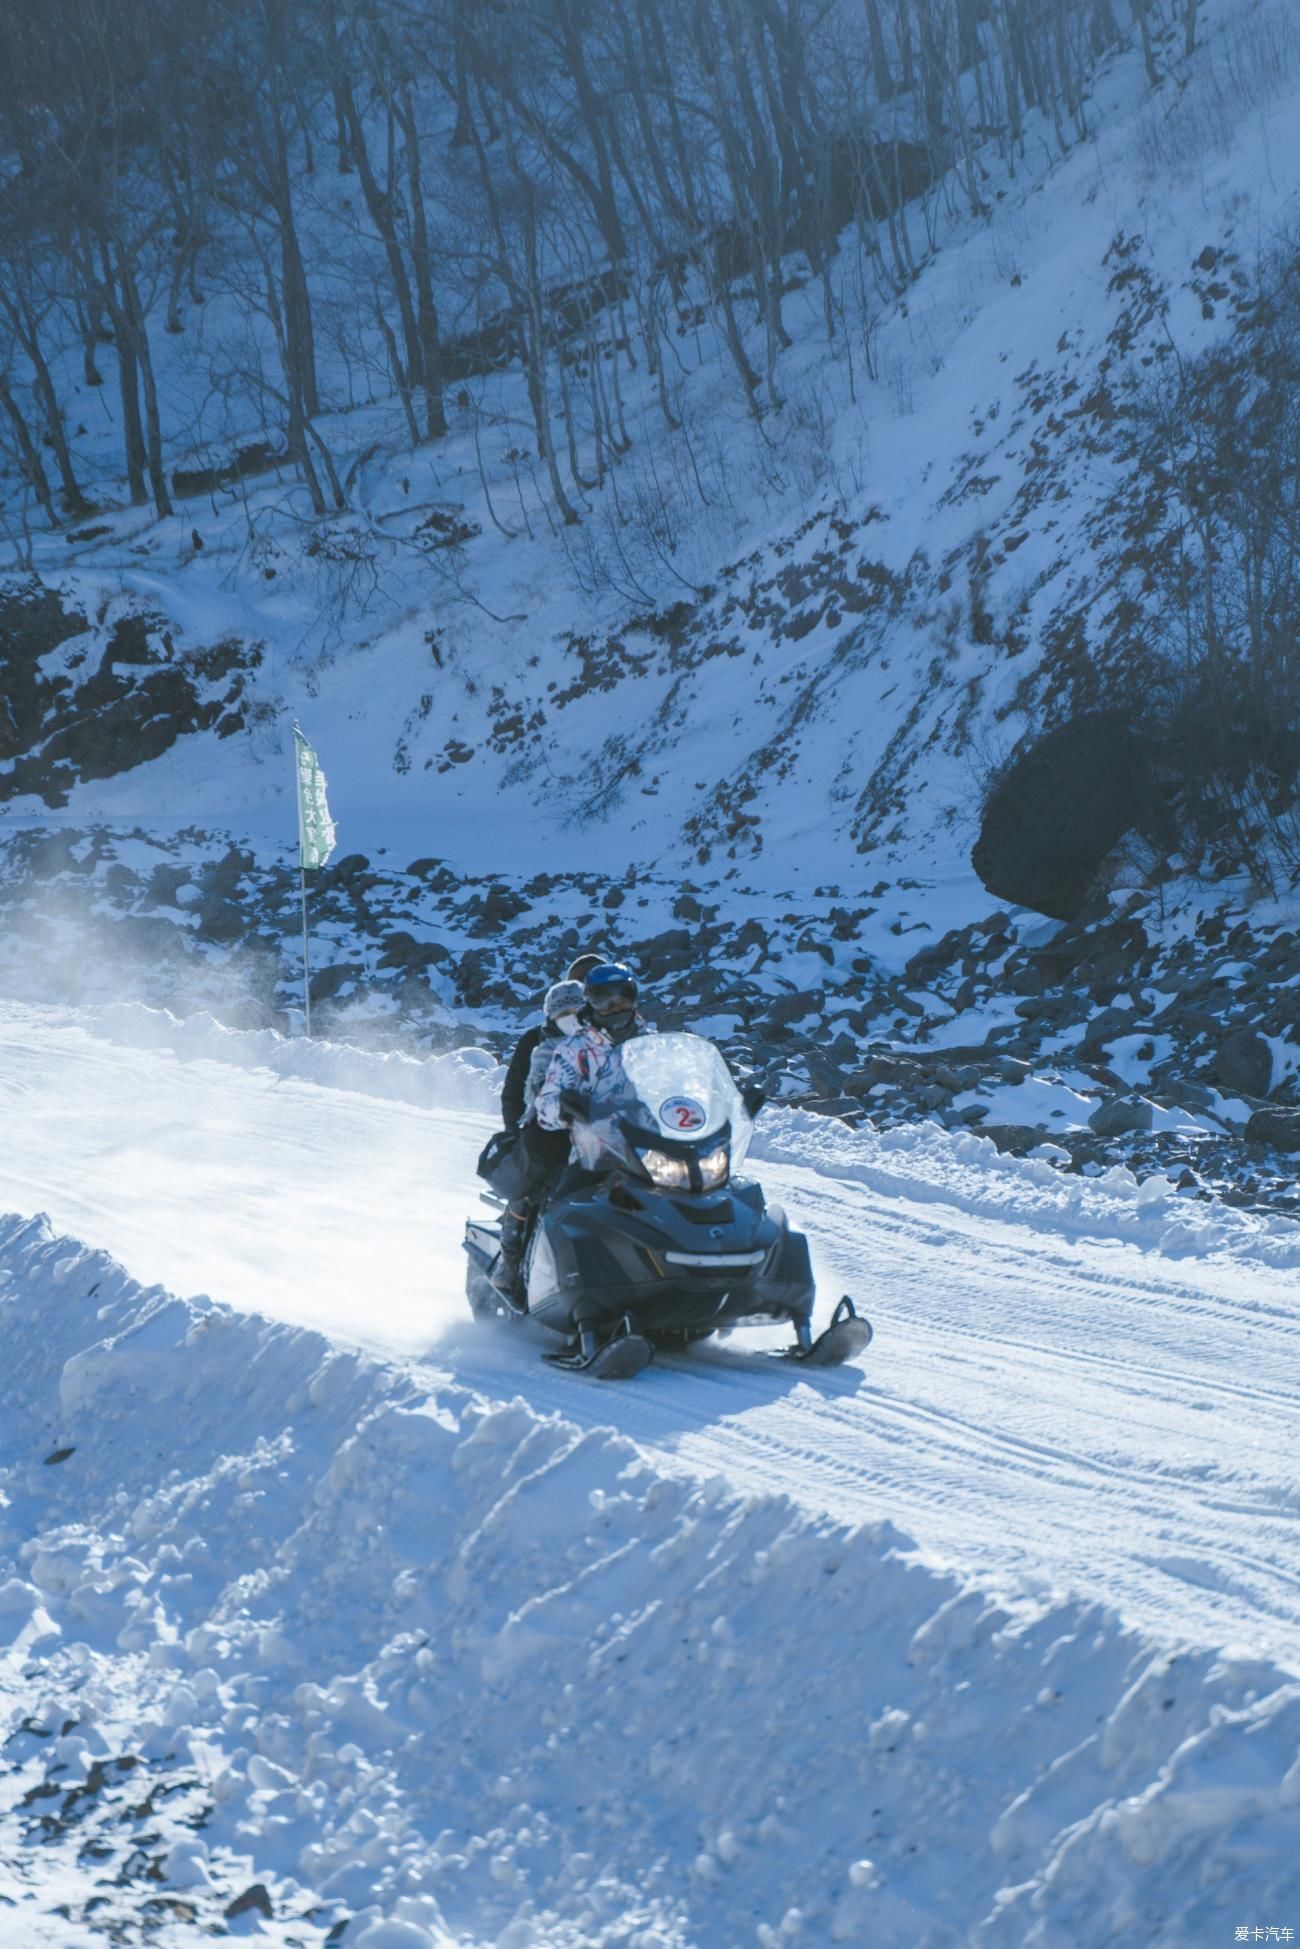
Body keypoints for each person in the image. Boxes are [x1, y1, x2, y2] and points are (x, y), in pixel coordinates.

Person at [492, 962, 645, 1304]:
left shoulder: (642, 1041)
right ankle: (517, 1264)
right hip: (566, 1133)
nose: (614, 1008)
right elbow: (526, 1091)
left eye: (621, 999)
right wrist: (528, 1122)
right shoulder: (554, 1046)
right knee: (538, 1186)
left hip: (628, 1136)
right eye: (604, 1000)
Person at [499, 951, 606, 1130]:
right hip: (555, 1133)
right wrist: (515, 1132)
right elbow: (514, 1092)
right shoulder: (537, 1040)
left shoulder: (617, 1032)